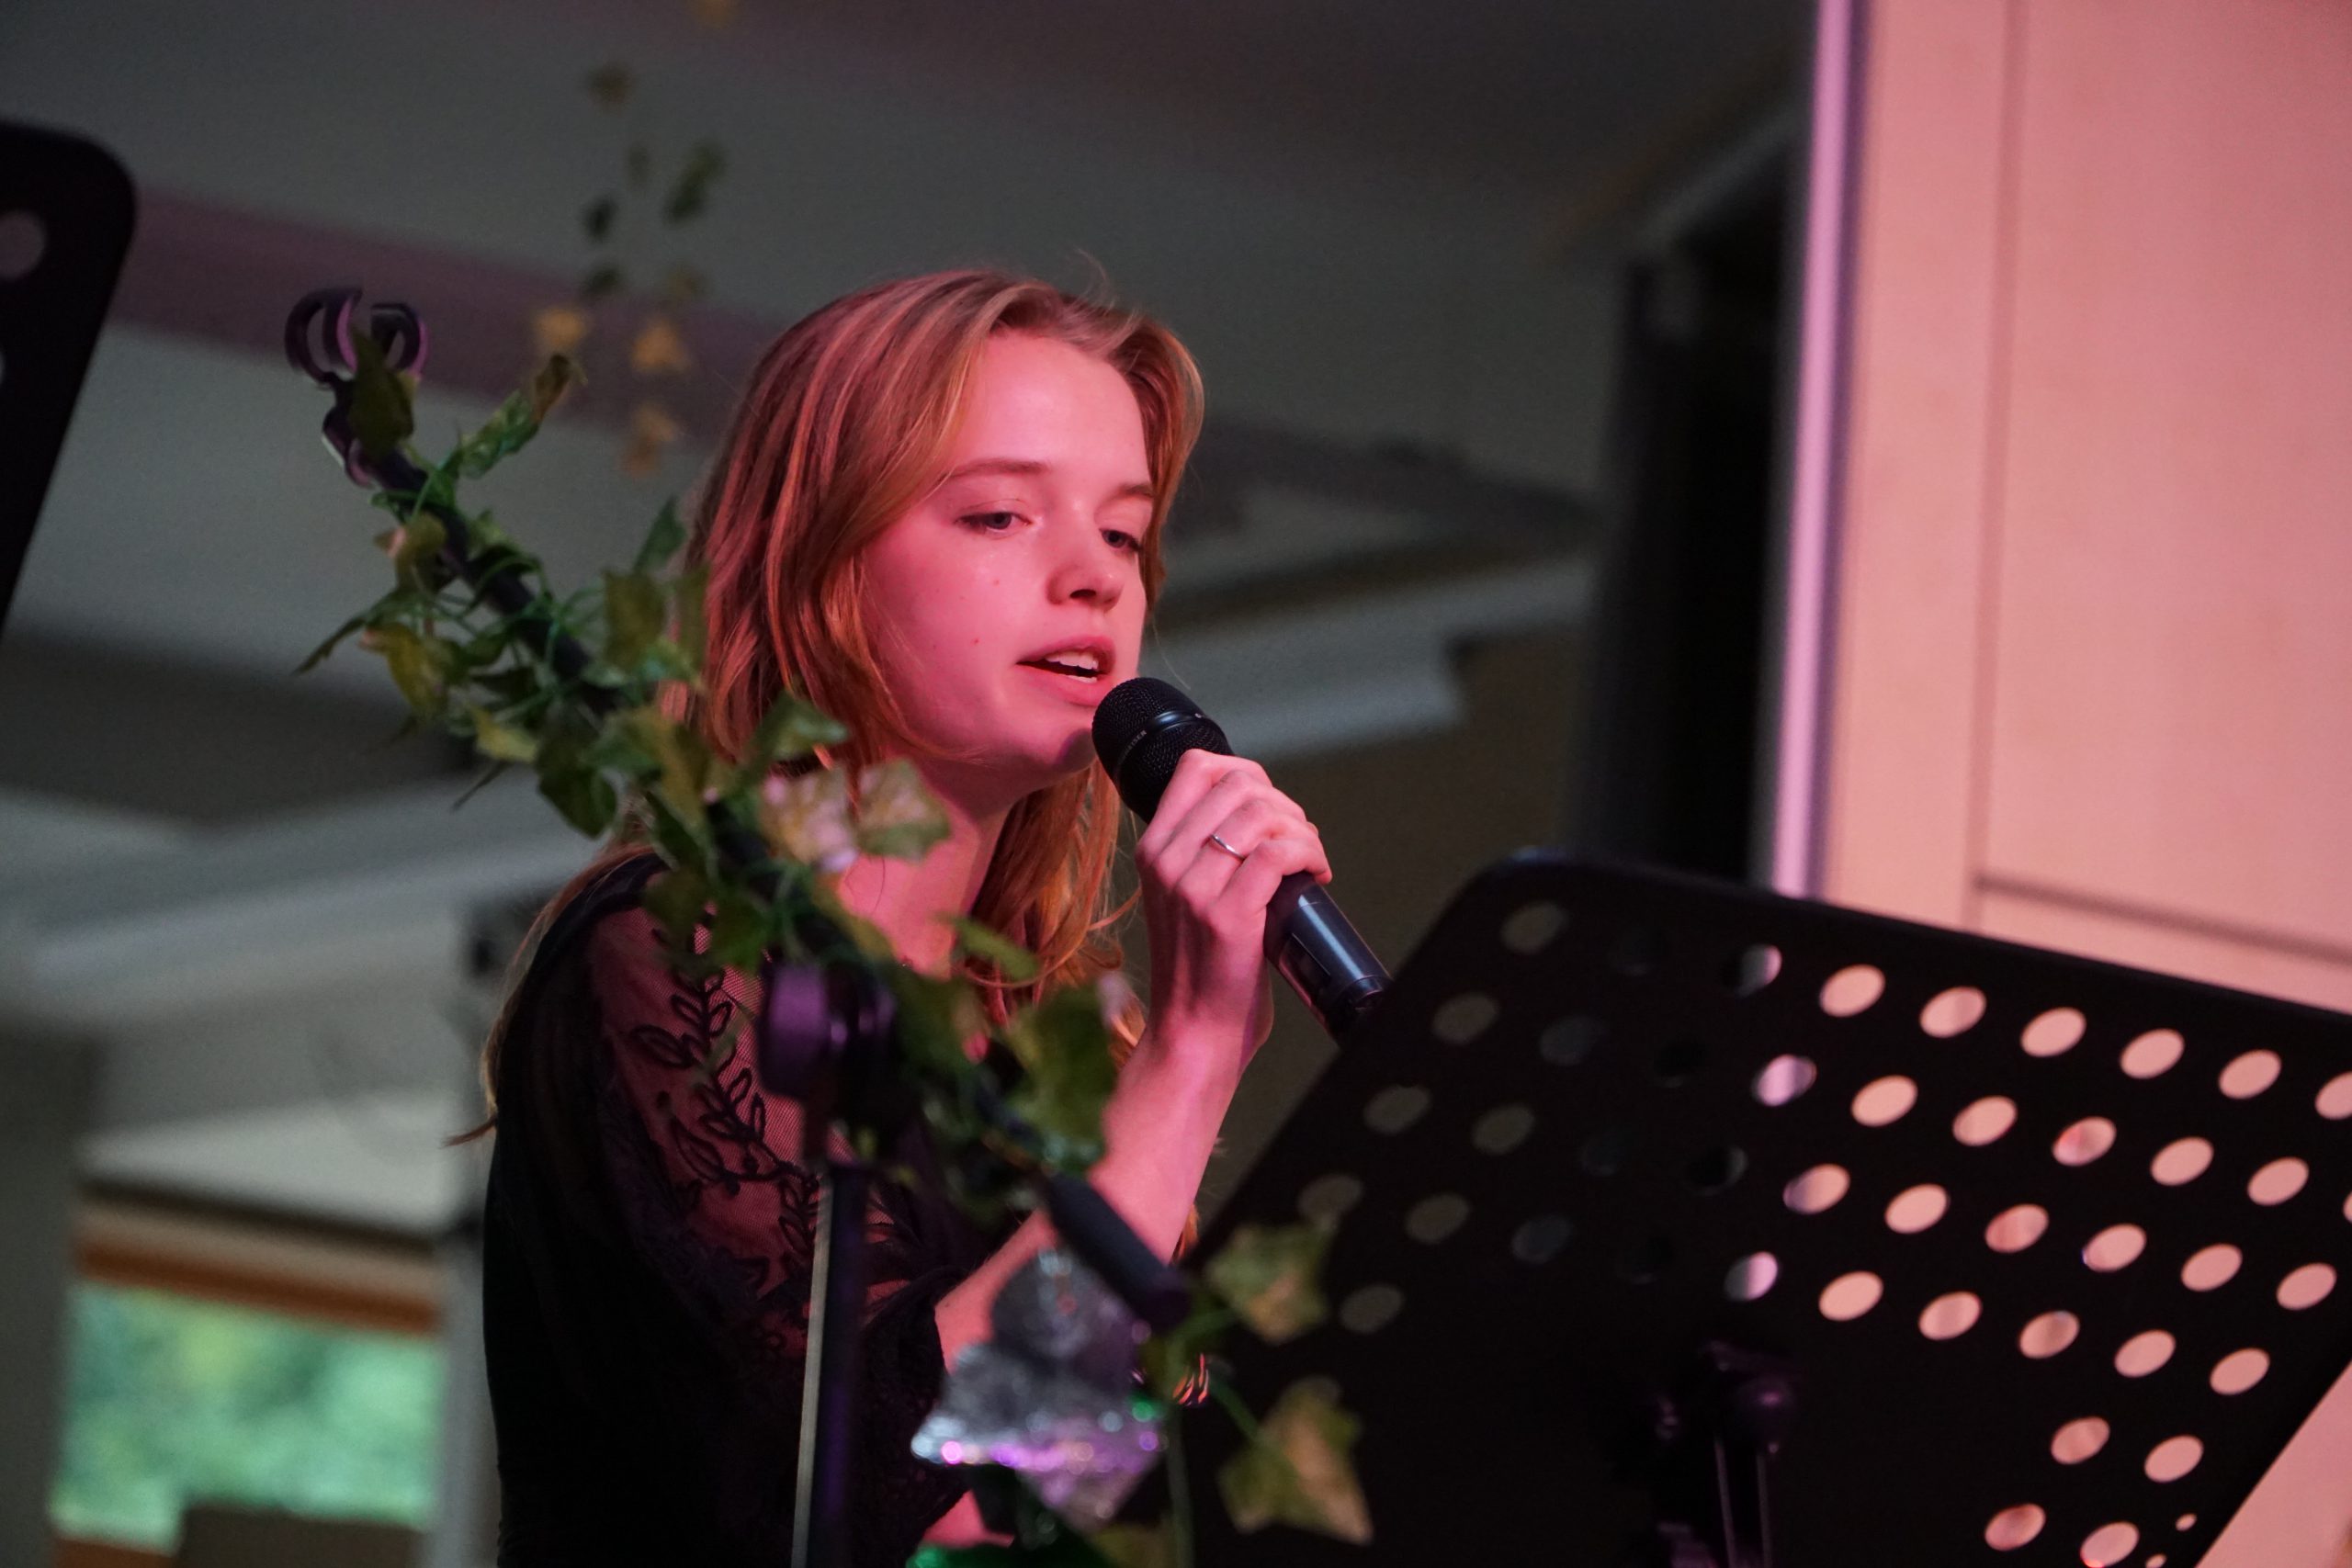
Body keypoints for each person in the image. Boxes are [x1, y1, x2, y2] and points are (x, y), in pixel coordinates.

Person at [472, 270, 1332, 1567]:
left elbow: (1052, 1505)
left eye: (1123, 534)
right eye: (998, 515)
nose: (1093, 580)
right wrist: (1198, 1049)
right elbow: (877, 1491)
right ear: (817, 566)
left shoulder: (1047, 1060)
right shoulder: (679, 949)